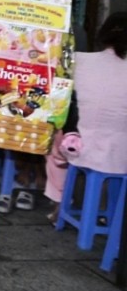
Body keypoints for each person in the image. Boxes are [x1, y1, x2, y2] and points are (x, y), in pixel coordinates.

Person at [46, 12, 127, 211]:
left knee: (54, 137)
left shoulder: (77, 60)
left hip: (75, 147)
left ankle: (59, 202)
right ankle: (113, 212)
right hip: (120, 155)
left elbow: (58, 101)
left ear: (103, 35)